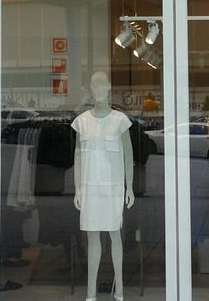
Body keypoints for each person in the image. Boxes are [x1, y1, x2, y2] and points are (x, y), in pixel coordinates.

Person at [72, 72, 135, 301]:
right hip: (90, 189)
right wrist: (78, 189)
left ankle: (120, 291)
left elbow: (128, 155)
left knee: (115, 236)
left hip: (113, 188)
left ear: (109, 87)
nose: (99, 91)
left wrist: (129, 187)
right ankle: (91, 294)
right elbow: (78, 156)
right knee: (93, 239)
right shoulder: (82, 122)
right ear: (90, 89)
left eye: (102, 86)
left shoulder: (120, 121)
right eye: (94, 86)